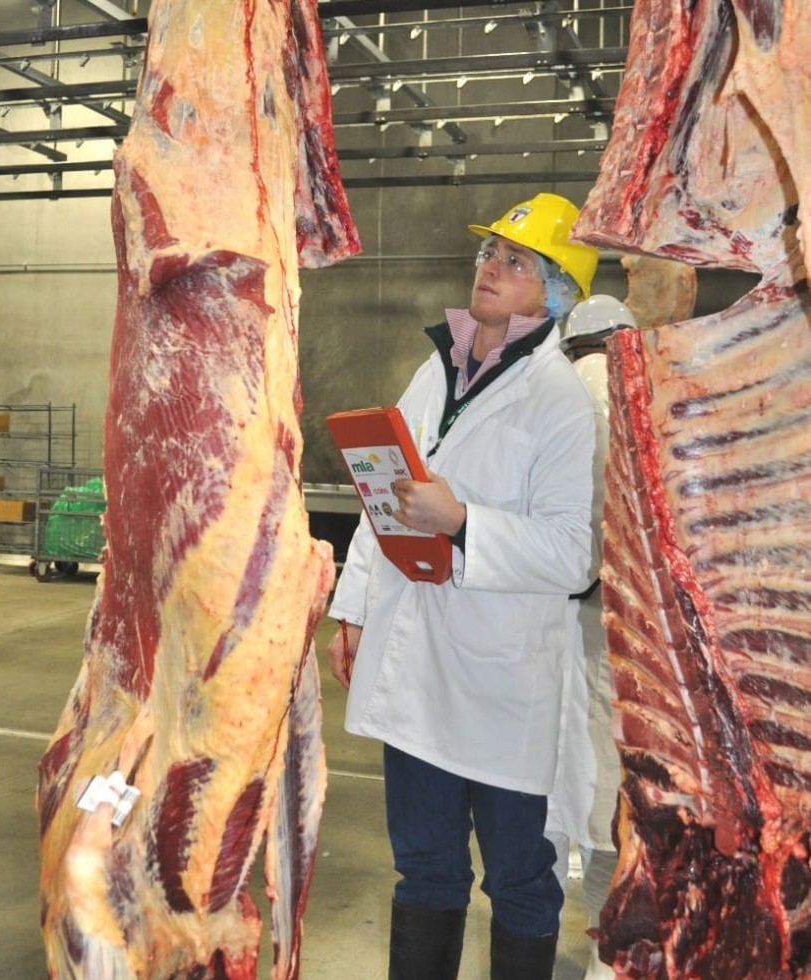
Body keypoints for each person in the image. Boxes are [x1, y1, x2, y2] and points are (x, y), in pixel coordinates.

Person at [325, 193, 603, 980]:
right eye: (489, 253)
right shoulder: (431, 370)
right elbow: (385, 497)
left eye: (516, 261)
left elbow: (571, 553)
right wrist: (352, 612)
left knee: (519, 880)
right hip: (416, 665)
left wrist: (462, 521)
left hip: (500, 682)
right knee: (424, 868)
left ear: (554, 293)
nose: (492, 266)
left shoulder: (560, 400)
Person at [545, 294, 635, 980]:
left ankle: (536, 937)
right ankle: (610, 957)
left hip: (565, 625)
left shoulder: (565, 389)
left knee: (552, 797)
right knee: (613, 802)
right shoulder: (640, 394)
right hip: (622, 630)